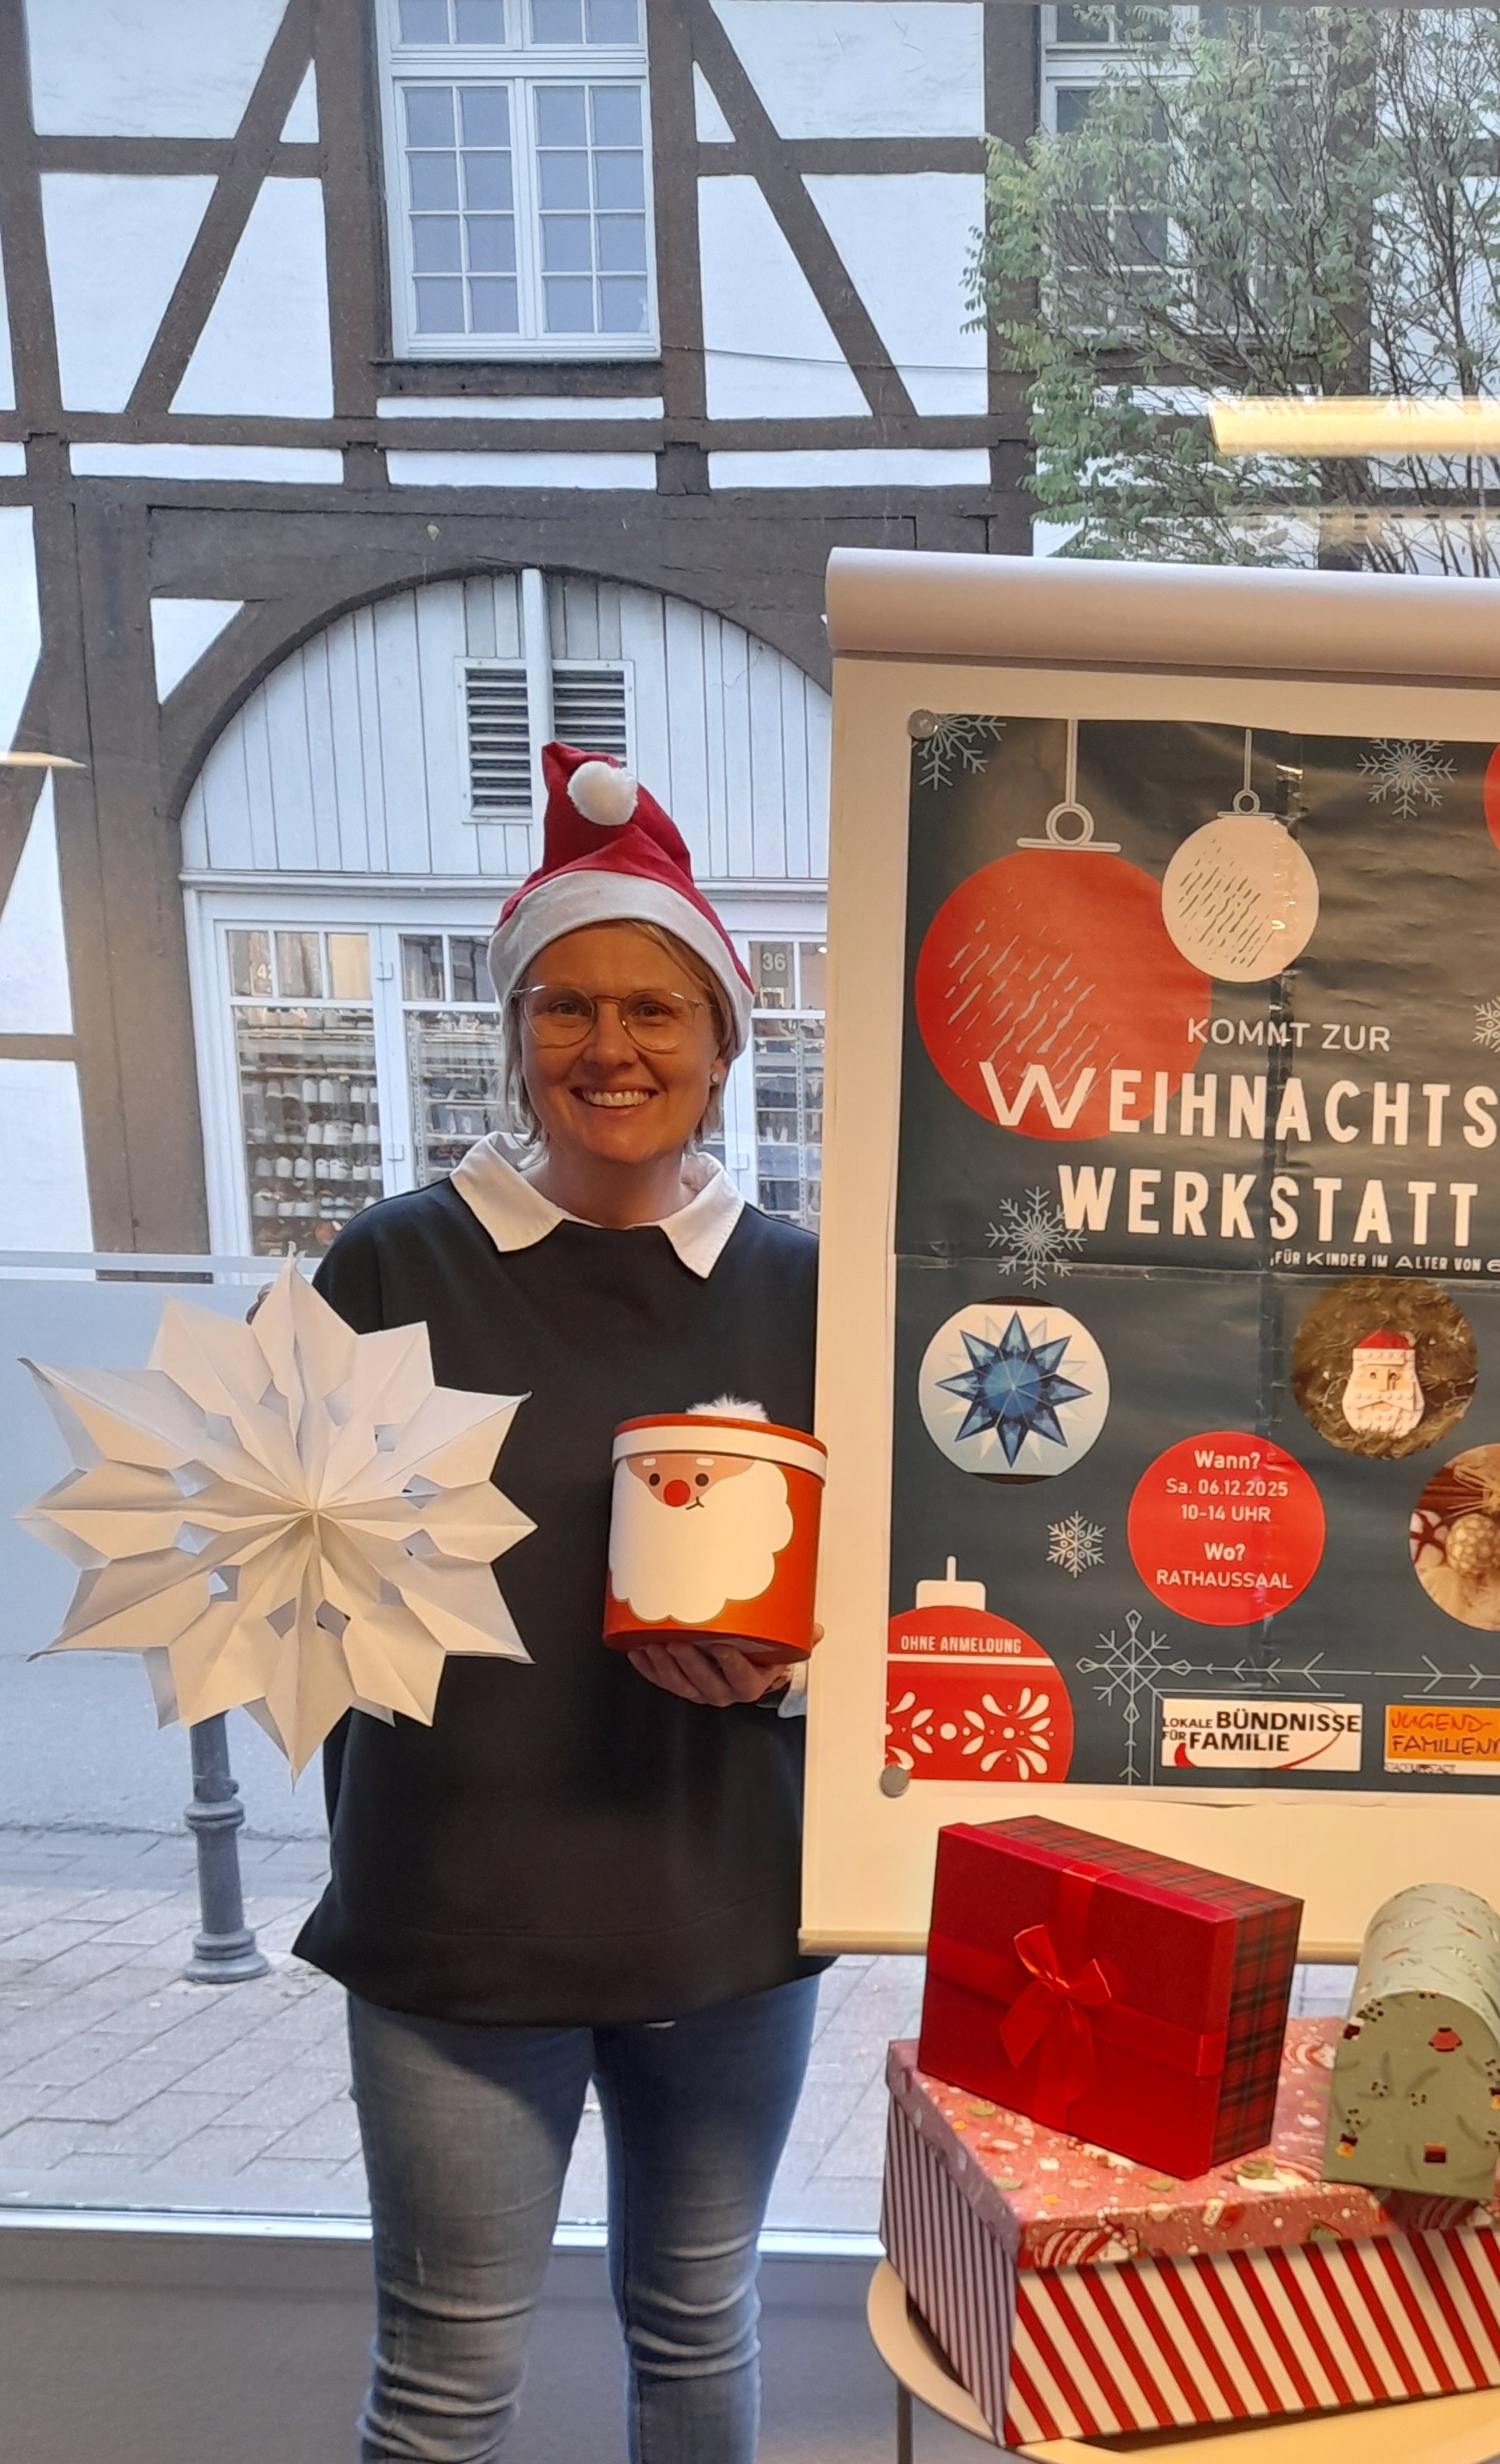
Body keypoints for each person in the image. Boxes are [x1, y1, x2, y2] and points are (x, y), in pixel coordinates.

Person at [294, 743, 826, 2464]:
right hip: (458, 1904)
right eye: (568, 1004)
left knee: (698, 2330)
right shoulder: (390, 1262)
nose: (613, 1048)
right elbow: (293, 1580)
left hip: (724, 1902)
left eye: (659, 1008)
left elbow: (891, 1601)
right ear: (515, 1029)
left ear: (723, 1037)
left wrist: (786, 1679)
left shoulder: (806, 1284)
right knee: (444, 2387)